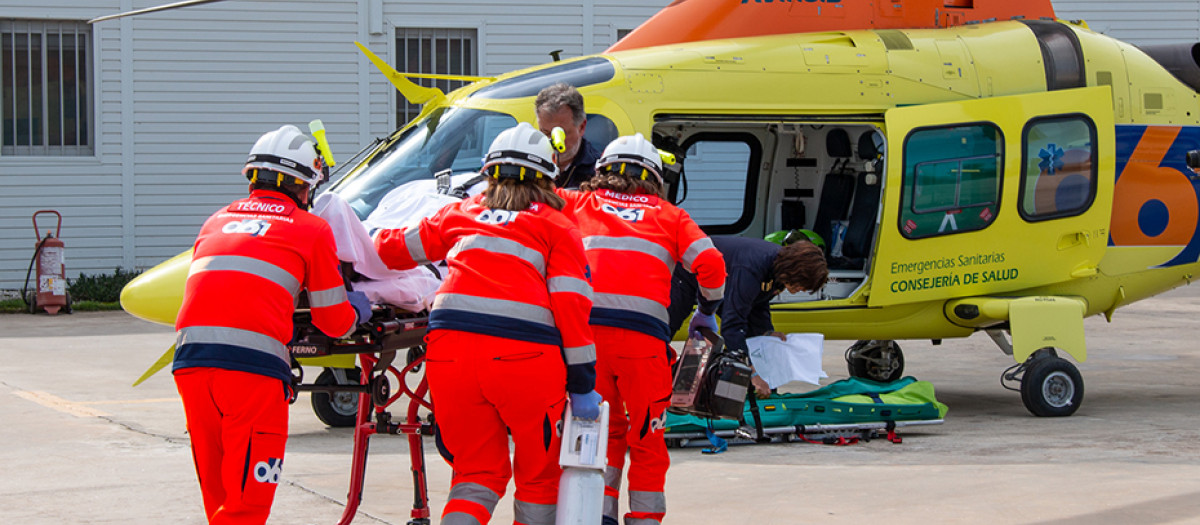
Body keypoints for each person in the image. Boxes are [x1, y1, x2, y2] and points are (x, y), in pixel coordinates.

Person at [373, 122, 599, 525]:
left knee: (476, 474)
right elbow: (571, 307)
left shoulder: (461, 212)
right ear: (549, 177)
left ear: (487, 172)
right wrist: (582, 381)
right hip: (525, 361)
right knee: (539, 479)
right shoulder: (557, 227)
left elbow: (392, 250)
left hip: (450, 357)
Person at [172, 124, 372, 524]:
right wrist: (358, 310)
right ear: (304, 187)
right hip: (250, 373)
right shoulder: (311, 228)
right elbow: (333, 323)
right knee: (248, 501)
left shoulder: (216, 220)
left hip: (190, 364)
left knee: (220, 494)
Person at [558, 134, 726, 525]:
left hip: (584, 341)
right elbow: (712, 264)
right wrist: (707, 308)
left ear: (601, 171)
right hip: (643, 345)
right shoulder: (671, 215)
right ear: (653, 177)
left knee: (600, 430)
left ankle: (597, 514)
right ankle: (645, 518)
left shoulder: (574, 202)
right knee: (647, 437)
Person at [667, 236, 829, 396]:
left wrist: (766, 333)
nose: (800, 290)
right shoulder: (751, 268)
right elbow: (732, 325)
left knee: (752, 338)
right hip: (685, 272)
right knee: (667, 326)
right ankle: (654, 379)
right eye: (801, 285)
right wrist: (751, 374)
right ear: (795, 271)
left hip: (724, 277)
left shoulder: (779, 270)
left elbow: (758, 302)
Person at [536, 82, 601, 189]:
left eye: (561, 134)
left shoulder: (599, 171)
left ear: (581, 127)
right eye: (545, 132)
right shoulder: (529, 166)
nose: (553, 142)